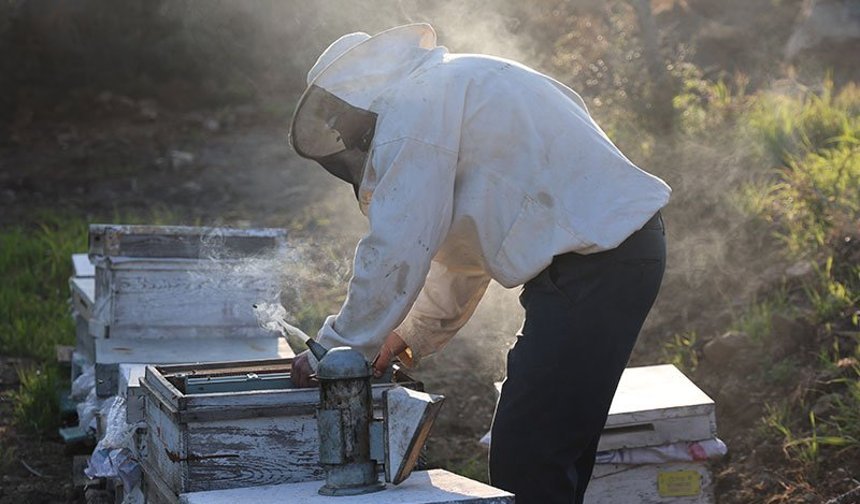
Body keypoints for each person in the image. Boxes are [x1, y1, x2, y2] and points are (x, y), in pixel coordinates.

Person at [289, 24, 670, 504]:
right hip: (610, 258)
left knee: (528, 452)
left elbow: (397, 245)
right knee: (552, 448)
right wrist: (402, 334)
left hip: (596, 264)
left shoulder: (415, 106)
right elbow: (462, 257)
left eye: (339, 119)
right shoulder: (449, 88)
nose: (342, 134)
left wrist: (338, 349)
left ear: (356, 93)